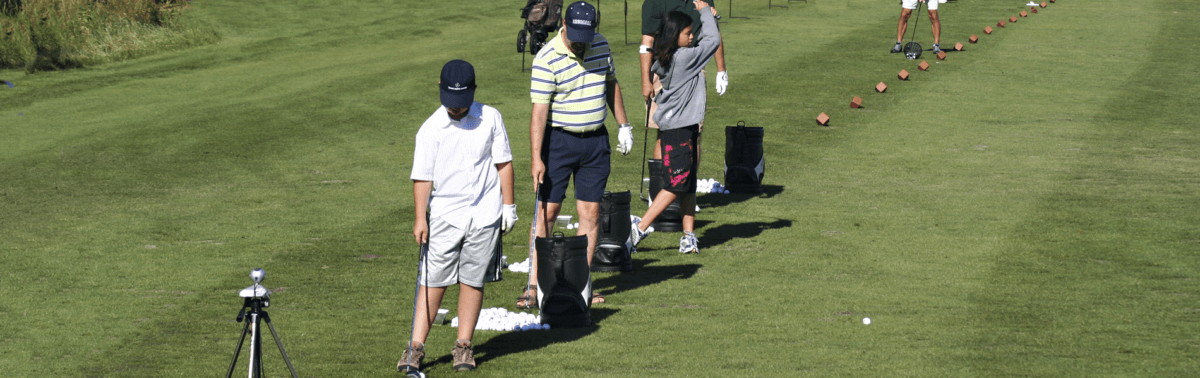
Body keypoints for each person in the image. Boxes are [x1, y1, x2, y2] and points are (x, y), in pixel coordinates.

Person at [400, 59, 517, 373]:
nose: (456, 109)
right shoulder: (430, 130)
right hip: (445, 215)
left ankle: (463, 346)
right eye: (451, 103)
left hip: (485, 213)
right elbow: (422, 178)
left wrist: (509, 206)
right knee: (434, 281)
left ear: (473, 92)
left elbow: (503, 163)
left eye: (461, 102)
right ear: (440, 90)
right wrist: (419, 218)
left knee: (472, 280)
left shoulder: (491, 117)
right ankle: (415, 347)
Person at [521, 1, 632, 308]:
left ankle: (579, 283)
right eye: (577, 33)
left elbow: (611, 84)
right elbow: (539, 113)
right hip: (558, 142)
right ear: (564, 26)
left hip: (595, 143)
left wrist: (624, 124)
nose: (583, 40)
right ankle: (534, 285)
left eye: (588, 33)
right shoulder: (547, 58)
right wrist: (536, 158)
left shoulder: (601, 44)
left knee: (591, 214)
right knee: (548, 212)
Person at [629, 1, 720, 255]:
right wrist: (705, 12)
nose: (692, 37)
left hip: (685, 126)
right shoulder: (684, 58)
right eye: (687, 34)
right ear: (674, 36)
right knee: (676, 183)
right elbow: (712, 41)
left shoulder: (672, 56)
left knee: (688, 182)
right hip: (679, 129)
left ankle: (689, 236)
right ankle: (640, 226)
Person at [640, 0, 727, 162]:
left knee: (694, 132)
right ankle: (662, 183)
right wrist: (646, 81)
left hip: (693, 67)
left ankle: (687, 184)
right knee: (664, 132)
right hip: (664, 69)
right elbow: (647, 42)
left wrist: (721, 70)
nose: (691, 35)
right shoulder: (654, 2)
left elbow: (714, 31)